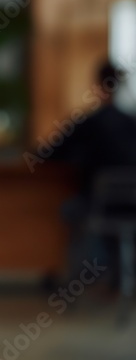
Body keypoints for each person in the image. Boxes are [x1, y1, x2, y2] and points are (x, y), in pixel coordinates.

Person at [47, 59, 136, 289]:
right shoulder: (131, 123)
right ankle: (115, 278)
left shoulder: (87, 123)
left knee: (67, 211)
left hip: (96, 205)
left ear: (97, 86)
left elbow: (50, 154)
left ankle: (70, 278)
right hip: (130, 207)